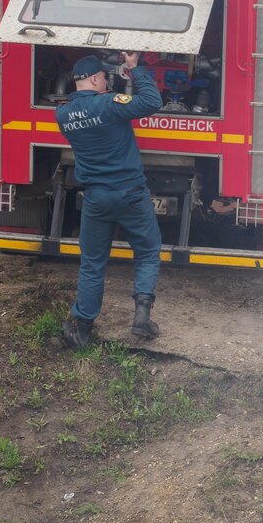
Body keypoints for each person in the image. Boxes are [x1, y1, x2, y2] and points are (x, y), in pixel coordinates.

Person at [56, 52, 163, 349]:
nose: (106, 80)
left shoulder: (62, 115)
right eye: (103, 76)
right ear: (93, 79)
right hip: (130, 193)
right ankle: (141, 316)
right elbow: (152, 102)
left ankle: (83, 329)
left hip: (96, 198)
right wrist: (135, 70)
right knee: (148, 250)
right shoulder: (110, 103)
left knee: (92, 263)